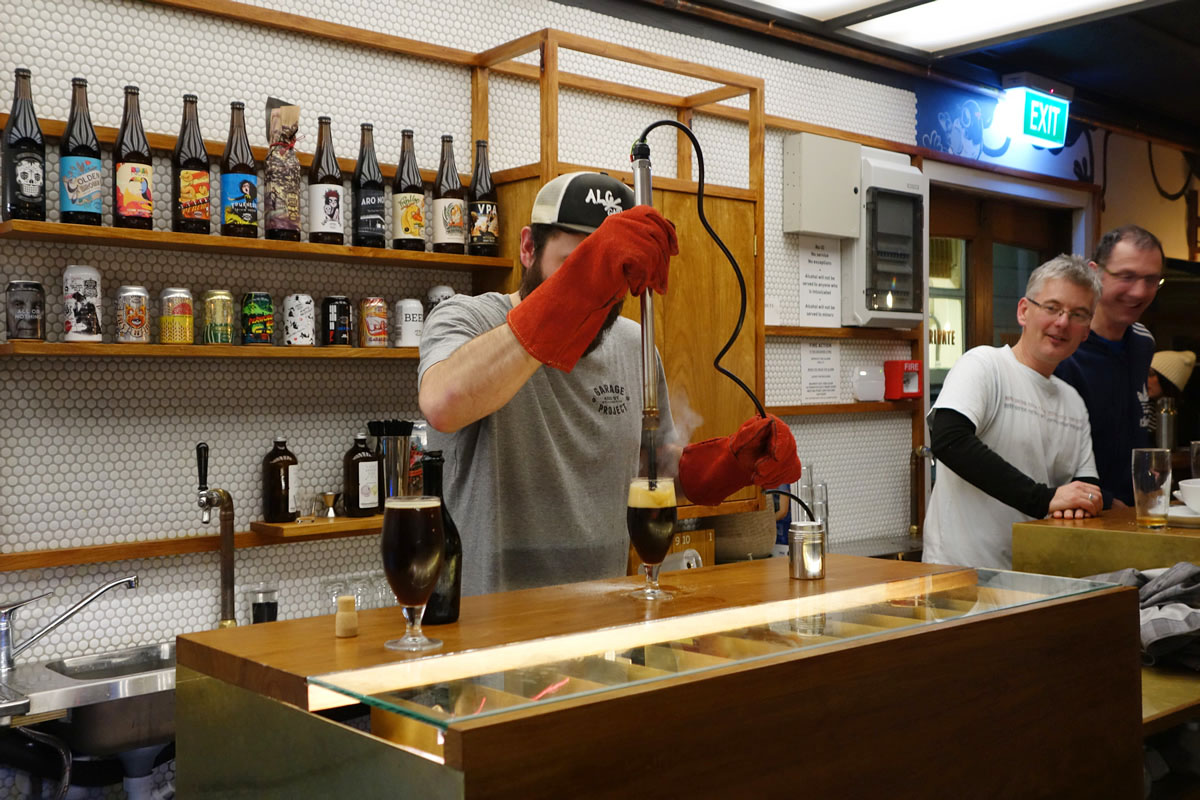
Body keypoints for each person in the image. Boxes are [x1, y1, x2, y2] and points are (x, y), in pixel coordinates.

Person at [419, 172, 800, 594]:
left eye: (611, 273)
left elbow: (652, 470)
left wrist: (728, 463)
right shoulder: (467, 319)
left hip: (605, 608)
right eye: (574, 266)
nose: (599, 295)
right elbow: (443, 403)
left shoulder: (634, 343)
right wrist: (584, 283)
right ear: (528, 248)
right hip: (490, 616)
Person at [923, 255, 1102, 570]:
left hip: (1036, 577)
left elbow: (1084, 490)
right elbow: (949, 440)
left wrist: (1087, 500)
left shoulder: (1073, 402)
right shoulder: (984, 365)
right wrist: (1043, 499)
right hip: (960, 574)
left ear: (1086, 331)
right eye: (1052, 308)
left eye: (1077, 314)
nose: (1063, 322)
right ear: (1023, 311)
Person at [1054, 225, 1163, 508]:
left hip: (1135, 510)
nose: (1139, 292)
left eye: (1151, 280)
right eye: (1126, 277)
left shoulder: (1143, 342)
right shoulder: (1062, 347)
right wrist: (1107, 501)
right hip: (1077, 511)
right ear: (1094, 273)